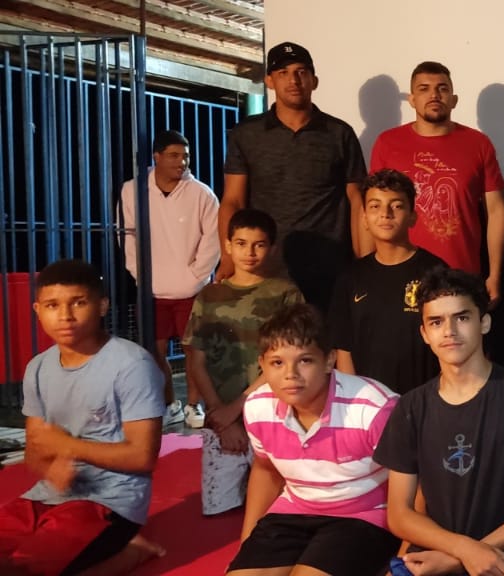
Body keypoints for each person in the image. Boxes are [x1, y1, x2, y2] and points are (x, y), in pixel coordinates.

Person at [375, 268, 504, 576]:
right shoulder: (411, 406)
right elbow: (400, 514)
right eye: (436, 322)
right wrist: (463, 551)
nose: (449, 331)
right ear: (424, 333)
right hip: (432, 556)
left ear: (484, 322)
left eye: (461, 318)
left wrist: (465, 558)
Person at [0, 259, 166, 575]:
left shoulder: (132, 365)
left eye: (78, 302)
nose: (65, 315)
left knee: (27, 571)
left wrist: (68, 447)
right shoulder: (38, 368)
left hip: (111, 502)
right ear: (38, 310)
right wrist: (50, 467)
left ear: (102, 305)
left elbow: (143, 456)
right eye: (52, 305)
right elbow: (35, 450)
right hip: (46, 497)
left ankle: (130, 553)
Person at [229, 304, 401, 576]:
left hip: (365, 515)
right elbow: (266, 470)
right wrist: (246, 543)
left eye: (305, 360)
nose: (290, 374)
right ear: (262, 365)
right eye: (277, 363)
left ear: (329, 361)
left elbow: (416, 482)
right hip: (294, 510)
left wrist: (405, 557)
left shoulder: (374, 408)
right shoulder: (257, 406)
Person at [220, 41, 369, 312]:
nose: (294, 80)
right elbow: (233, 201)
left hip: (330, 268)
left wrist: (366, 263)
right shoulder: (246, 134)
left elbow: (357, 201)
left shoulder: (340, 133)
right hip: (267, 266)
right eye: (283, 73)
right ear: (269, 81)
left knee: (328, 339)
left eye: (301, 72)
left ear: (314, 80)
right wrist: (228, 258)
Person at [183, 208, 304, 516]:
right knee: (218, 510)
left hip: (275, 413)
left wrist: (235, 409)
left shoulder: (285, 294)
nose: (249, 252)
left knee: (280, 508)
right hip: (220, 417)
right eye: (241, 243)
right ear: (227, 245)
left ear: (272, 248)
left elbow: (287, 361)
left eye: (259, 244)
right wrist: (220, 416)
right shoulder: (209, 296)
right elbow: (196, 362)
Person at [370, 61, 504, 305]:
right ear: (412, 100)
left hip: (461, 275)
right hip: (400, 273)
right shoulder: (387, 143)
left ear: (454, 99)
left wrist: (494, 275)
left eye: (442, 88)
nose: (434, 95)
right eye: (424, 89)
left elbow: (496, 210)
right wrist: (369, 271)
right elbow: (373, 209)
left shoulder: (478, 144)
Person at [120, 129, 220, 428]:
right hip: (151, 289)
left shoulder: (201, 193)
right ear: (157, 157)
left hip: (192, 290)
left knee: (195, 351)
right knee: (154, 352)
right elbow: (127, 235)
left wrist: (196, 276)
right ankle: (168, 404)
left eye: (186, 156)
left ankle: (193, 405)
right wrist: (140, 275)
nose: (182, 162)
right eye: (174, 156)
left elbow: (213, 238)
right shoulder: (132, 190)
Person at [329, 169, 446, 394]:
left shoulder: (435, 272)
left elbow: (448, 343)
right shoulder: (351, 277)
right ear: (364, 218)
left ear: (412, 216)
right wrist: (356, 402)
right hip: (370, 403)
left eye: (397, 206)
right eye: (375, 206)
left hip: (425, 399)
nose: (385, 214)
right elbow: (344, 350)